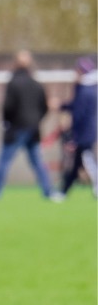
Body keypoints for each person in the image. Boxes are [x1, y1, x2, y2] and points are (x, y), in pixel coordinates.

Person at [0, 50, 55, 200]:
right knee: (38, 162)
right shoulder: (37, 84)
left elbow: (7, 107)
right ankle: (48, 191)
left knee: (4, 162)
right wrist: (37, 120)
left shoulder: (13, 83)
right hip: (33, 129)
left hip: (16, 128)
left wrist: (6, 122)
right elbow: (45, 107)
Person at [54, 56, 97, 198]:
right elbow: (75, 106)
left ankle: (63, 192)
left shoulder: (85, 91)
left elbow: (79, 114)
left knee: (87, 162)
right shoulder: (86, 89)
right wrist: (61, 106)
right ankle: (63, 192)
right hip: (85, 133)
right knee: (78, 164)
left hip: (84, 134)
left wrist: (73, 136)